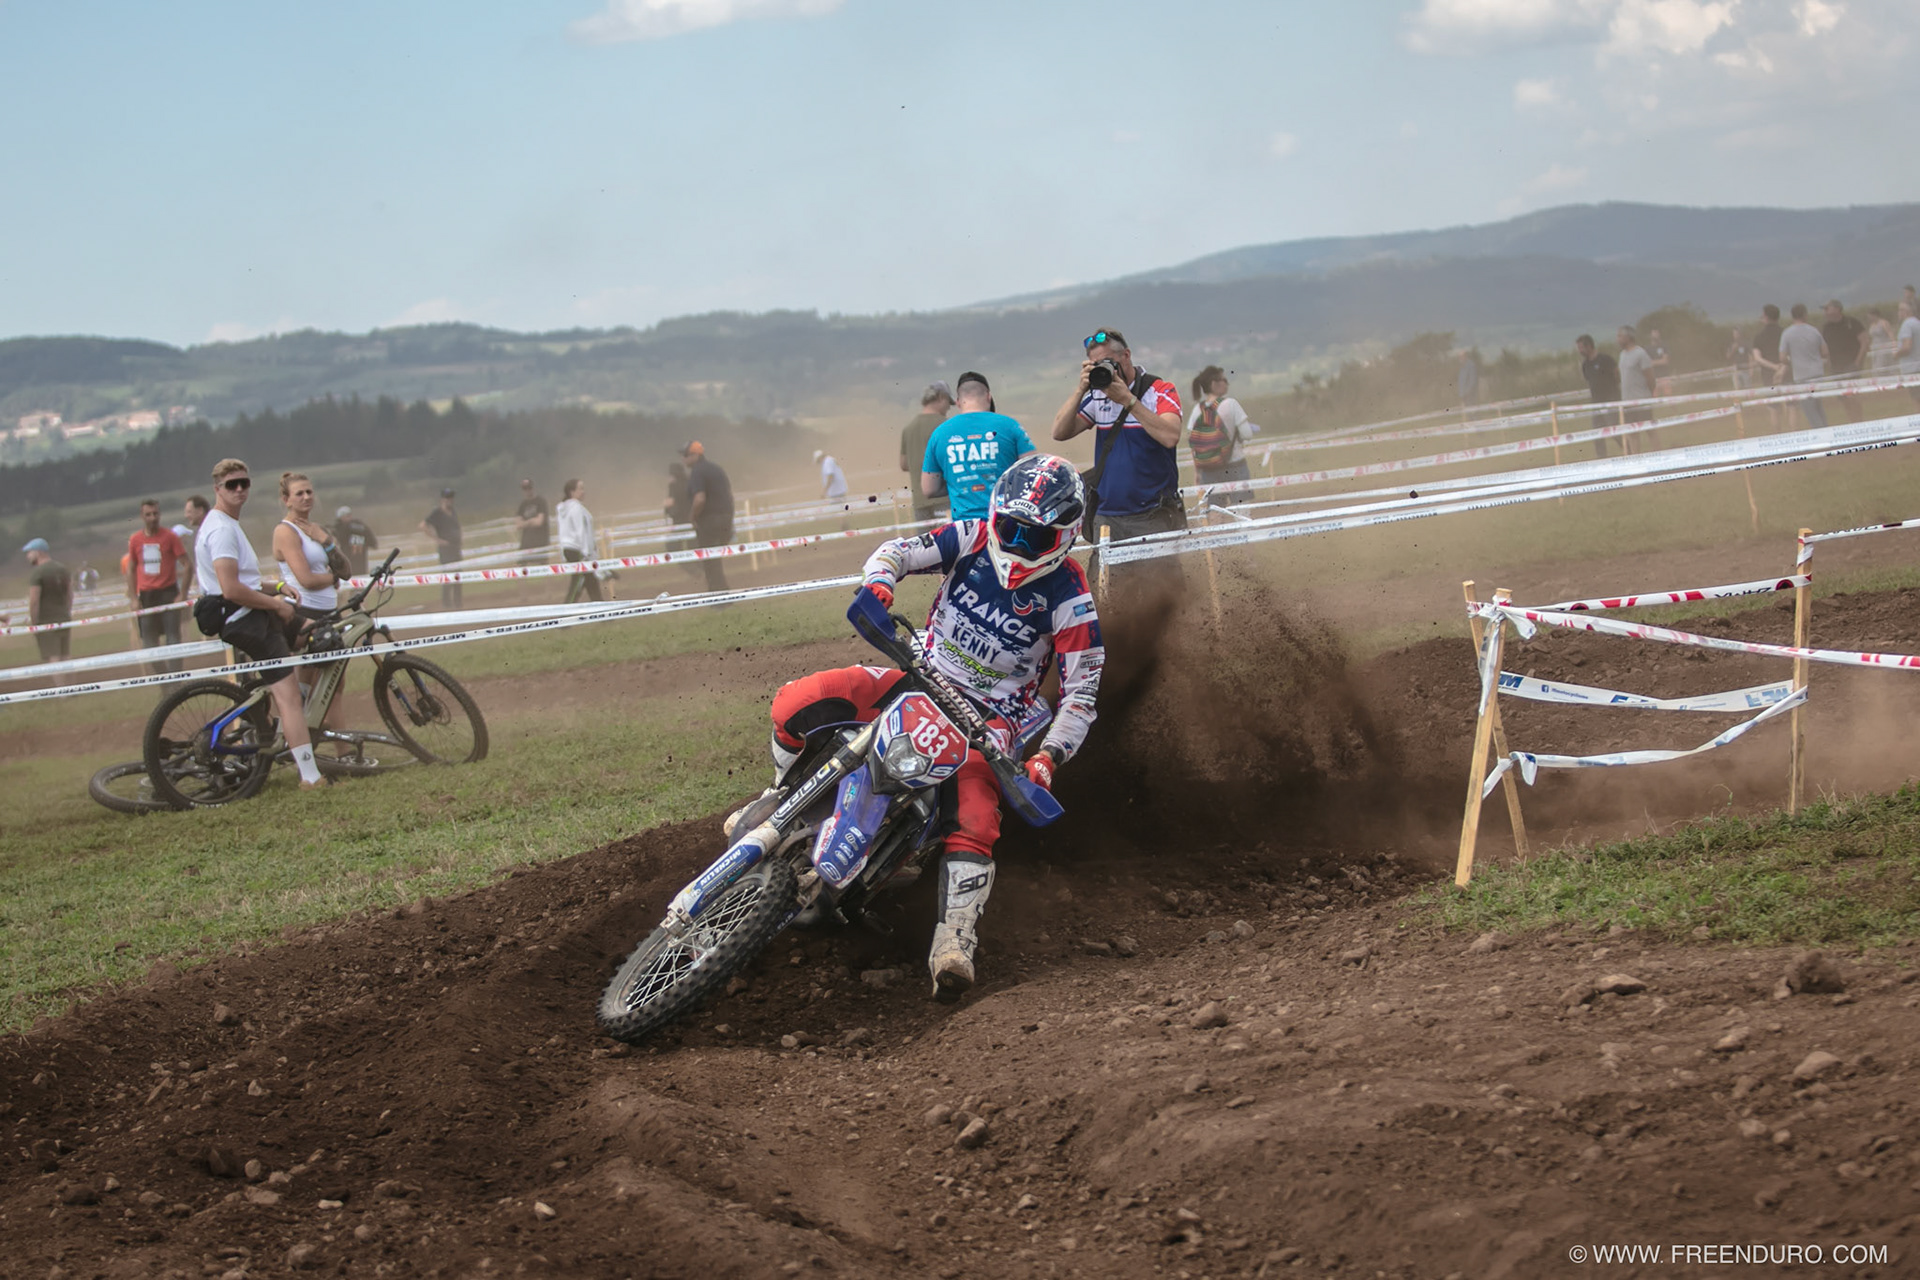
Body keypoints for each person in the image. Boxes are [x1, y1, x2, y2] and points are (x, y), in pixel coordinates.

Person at [754, 454, 1102, 999]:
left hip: (987, 721)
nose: (1016, 543)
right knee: (797, 702)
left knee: (978, 817)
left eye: (1034, 536)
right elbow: (896, 550)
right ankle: (780, 797)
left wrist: (1048, 756)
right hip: (918, 674)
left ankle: (955, 939)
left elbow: (1081, 694)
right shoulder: (972, 535)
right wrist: (880, 582)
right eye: (1010, 527)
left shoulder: (1071, 598)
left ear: (1064, 537)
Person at [196, 458, 330, 790]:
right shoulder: (222, 530)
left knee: (314, 632)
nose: (240, 489)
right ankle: (310, 777)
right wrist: (275, 604)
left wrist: (278, 587)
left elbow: (245, 582)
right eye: (232, 485)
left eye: (244, 483)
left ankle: (288, 722)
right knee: (289, 698)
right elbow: (230, 589)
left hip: (253, 611)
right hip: (246, 619)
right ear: (217, 489)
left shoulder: (227, 522)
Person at [1050, 327, 1185, 542]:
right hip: (1107, 515)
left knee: (1161, 566)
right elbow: (1059, 432)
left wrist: (1128, 401)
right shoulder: (1098, 396)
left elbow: (1170, 436)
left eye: (1107, 362)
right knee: (1103, 566)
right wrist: (1080, 389)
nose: (1104, 370)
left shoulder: (1159, 390)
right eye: (1096, 365)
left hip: (1153, 514)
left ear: (1126, 355)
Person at [921, 372, 1036, 521]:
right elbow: (1034, 471)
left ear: (958, 402)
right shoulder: (1011, 426)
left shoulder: (939, 433)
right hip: (1006, 523)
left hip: (965, 526)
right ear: (989, 397)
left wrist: (957, 484)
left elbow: (929, 489)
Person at [125, 499, 189, 672]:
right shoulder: (136, 540)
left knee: (173, 639)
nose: (153, 518)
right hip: (147, 595)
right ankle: (164, 679)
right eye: (148, 514)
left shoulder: (170, 537)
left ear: (160, 514)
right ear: (142, 516)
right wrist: (133, 598)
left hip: (168, 592)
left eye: (155, 514)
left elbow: (188, 565)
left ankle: (176, 679)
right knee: (149, 643)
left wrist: (183, 594)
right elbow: (130, 569)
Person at [272, 472, 342, 623]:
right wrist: (335, 578)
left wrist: (327, 541)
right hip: (305, 610)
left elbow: (339, 566)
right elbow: (307, 580)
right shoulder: (285, 531)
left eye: (309, 492)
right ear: (286, 500)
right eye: (299, 494)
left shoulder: (316, 529)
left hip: (330, 610)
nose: (306, 497)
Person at [1185, 366, 1260, 500]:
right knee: (1241, 508)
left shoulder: (1197, 409)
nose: (1227, 383)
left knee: (1215, 508)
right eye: (1224, 380)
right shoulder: (1231, 404)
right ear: (1214, 383)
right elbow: (1247, 434)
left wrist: (1197, 473)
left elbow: (1194, 443)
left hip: (1208, 469)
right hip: (1235, 464)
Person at [682, 441, 734, 592]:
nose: (683, 459)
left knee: (709, 561)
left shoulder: (697, 472)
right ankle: (721, 592)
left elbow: (699, 498)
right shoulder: (716, 468)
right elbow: (729, 494)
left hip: (709, 521)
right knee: (715, 560)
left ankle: (719, 595)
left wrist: (692, 516)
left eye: (685, 455)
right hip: (725, 519)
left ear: (695, 455)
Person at [900, 381, 953, 524]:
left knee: (926, 539)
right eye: (948, 402)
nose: (949, 407)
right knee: (948, 537)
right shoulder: (947, 425)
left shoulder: (909, 428)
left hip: (919, 501)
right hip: (944, 499)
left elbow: (904, 464)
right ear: (941, 397)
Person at [21, 537, 72, 663]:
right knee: (65, 655)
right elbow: (69, 594)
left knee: (52, 656)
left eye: (29, 552)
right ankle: (71, 677)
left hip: (46, 621)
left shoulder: (38, 573)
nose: (28, 556)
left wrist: (34, 623)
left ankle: (59, 678)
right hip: (64, 618)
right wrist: (66, 612)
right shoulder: (62, 569)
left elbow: (34, 601)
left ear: (38, 552)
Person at [1780, 303, 1830, 429]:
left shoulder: (1787, 333)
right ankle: (1826, 430)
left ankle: (1821, 434)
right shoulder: (1814, 331)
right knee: (1818, 407)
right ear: (1805, 315)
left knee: (1810, 410)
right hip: (1818, 374)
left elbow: (1782, 357)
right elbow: (1825, 352)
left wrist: (1792, 362)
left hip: (1801, 376)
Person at [556, 478, 605, 604]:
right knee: (578, 584)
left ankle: (602, 611)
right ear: (572, 492)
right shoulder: (576, 508)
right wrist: (588, 554)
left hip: (570, 549)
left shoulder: (563, 509)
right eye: (580, 489)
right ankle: (566, 612)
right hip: (578, 551)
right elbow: (581, 532)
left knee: (591, 583)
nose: (583, 491)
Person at [1821, 300, 1867, 422]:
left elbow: (1864, 342)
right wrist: (1828, 364)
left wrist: (1857, 362)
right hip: (1836, 368)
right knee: (1843, 398)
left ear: (1837, 309)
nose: (1825, 312)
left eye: (1827, 309)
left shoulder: (1852, 323)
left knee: (1853, 397)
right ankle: (1851, 421)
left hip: (1851, 366)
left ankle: (1859, 421)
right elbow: (1824, 348)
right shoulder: (1826, 328)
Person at [1574, 335, 1619, 459]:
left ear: (1589, 346)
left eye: (1581, 348)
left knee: (1614, 429)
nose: (1580, 351)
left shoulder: (1605, 359)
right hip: (1596, 402)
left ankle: (1628, 449)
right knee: (1597, 432)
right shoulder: (1585, 365)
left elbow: (1616, 375)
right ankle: (1601, 457)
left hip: (1610, 400)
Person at [1615, 326, 1659, 453]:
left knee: (1649, 429)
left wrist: (1649, 393)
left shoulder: (1640, 354)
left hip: (1641, 399)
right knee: (1632, 432)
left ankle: (1659, 453)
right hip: (1627, 401)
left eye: (1620, 336)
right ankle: (1636, 458)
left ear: (1628, 337)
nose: (1618, 339)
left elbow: (1650, 377)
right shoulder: (1622, 355)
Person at [419, 487, 463, 609]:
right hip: (446, 550)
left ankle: (458, 604)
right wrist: (437, 540)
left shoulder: (453, 511)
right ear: (442, 499)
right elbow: (423, 525)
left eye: (451, 498)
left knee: (458, 576)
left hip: (455, 548)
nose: (450, 500)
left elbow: (457, 527)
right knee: (447, 577)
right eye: (447, 498)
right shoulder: (437, 513)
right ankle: (447, 604)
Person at [1752, 304, 1787, 429]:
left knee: (1773, 408)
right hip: (1787, 372)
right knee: (1791, 405)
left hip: (1768, 376)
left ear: (1765, 317)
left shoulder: (1758, 337)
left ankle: (1777, 435)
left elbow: (1757, 358)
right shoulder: (1785, 333)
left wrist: (1773, 367)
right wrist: (1781, 367)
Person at [174, 495, 210, 590]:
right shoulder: (204, 532)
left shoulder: (210, 531)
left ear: (200, 510)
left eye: (189, 512)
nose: (186, 515)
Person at [331, 505, 377, 576]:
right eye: (347, 516)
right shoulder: (361, 526)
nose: (349, 517)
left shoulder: (340, 528)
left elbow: (373, 542)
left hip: (354, 562)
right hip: (356, 562)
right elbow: (373, 543)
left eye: (349, 515)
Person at [514, 479, 550, 566]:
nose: (527, 491)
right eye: (525, 489)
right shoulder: (522, 504)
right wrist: (531, 521)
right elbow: (518, 525)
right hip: (526, 542)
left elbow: (539, 522)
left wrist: (525, 523)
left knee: (542, 567)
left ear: (532, 488)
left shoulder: (540, 501)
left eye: (529, 488)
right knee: (521, 566)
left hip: (540, 541)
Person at [1896, 300, 1920, 407]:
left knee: (1917, 400)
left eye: (1900, 310)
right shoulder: (1917, 322)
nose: (1898, 313)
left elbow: (1907, 347)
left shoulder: (1906, 325)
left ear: (1905, 311)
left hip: (1912, 369)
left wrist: (1896, 354)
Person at [665, 461, 692, 553]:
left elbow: (670, 501)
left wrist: (667, 510)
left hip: (679, 517)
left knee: (674, 543)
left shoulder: (673, 485)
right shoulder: (690, 481)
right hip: (691, 515)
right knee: (692, 540)